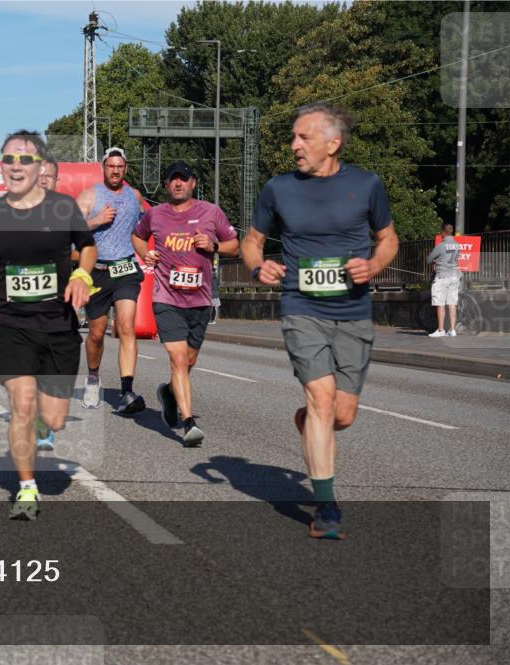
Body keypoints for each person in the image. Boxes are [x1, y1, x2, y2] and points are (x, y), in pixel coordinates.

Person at [241, 104, 398, 539]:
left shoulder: (366, 185)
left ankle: (310, 422)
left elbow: (388, 240)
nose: (294, 146)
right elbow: (250, 242)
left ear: (333, 143)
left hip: (352, 311)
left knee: (341, 416)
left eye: (303, 138)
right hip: (301, 308)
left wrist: (374, 264)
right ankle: (326, 508)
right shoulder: (278, 189)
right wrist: (259, 268)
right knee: (322, 399)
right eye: (293, 137)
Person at [0, 130, 96, 520]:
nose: (16, 166)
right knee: (20, 404)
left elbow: (87, 246)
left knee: (52, 418)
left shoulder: (63, 208)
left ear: (41, 168)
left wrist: (82, 276)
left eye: (25, 160)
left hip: (58, 325)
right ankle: (27, 488)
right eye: (9, 160)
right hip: (12, 324)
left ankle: (40, 420)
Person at [132, 161, 239, 445]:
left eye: (183, 179)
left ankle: (169, 392)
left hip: (200, 300)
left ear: (193, 183)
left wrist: (213, 246)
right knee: (178, 359)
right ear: (166, 185)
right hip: (166, 298)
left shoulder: (211, 212)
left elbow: (234, 245)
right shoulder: (155, 215)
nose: (178, 184)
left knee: (189, 361)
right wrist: (147, 254)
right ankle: (188, 422)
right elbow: (137, 236)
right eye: (172, 179)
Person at [76, 147, 147, 415]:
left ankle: (126, 390)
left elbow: (143, 230)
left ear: (125, 169)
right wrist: (95, 220)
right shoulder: (90, 195)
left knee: (126, 327)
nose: (115, 170)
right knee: (96, 333)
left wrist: (147, 254)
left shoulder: (134, 196)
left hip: (126, 269)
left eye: (119, 166)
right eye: (110, 166)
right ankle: (93, 377)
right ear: (103, 168)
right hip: (97, 271)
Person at [426, 221, 461, 337]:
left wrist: (436, 261)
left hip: (442, 276)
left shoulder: (441, 245)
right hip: (454, 276)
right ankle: (452, 330)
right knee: (452, 303)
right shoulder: (457, 245)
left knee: (440, 303)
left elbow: (429, 259)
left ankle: (440, 330)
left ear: (443, 232)